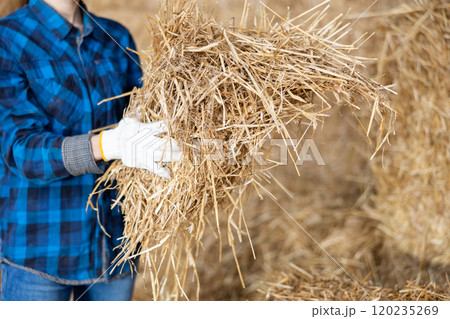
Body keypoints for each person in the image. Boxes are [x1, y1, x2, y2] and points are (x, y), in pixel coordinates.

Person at [0, 0, 181, 301]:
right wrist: (106, 144)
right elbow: (22, 151)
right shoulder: (7, 39)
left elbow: (146, 118)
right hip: (39, 250)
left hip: (115, 246)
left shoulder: (116, 37)